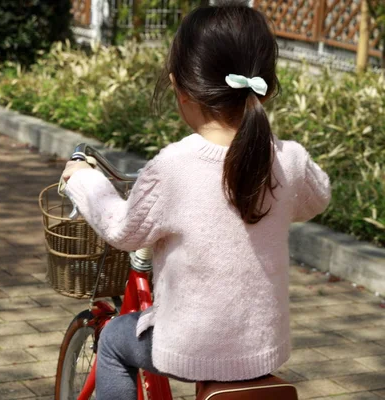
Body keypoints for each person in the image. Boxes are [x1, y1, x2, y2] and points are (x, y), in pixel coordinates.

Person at [61, 1, 331, 399]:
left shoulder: (174, 166)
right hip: (263, 347)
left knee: (117, 339)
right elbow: (317, 197)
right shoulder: (286, 158)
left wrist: (84, 181)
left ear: (181, 88)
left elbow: (122, 229)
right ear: (264, 86)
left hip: (191, 348)